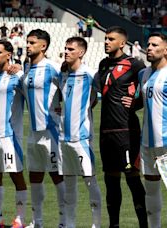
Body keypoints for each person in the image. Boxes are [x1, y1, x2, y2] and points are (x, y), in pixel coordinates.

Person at [95, 26, 147, 228]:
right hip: (105, 131)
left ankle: (144, 224)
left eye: (110, 39)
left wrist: (137, 102)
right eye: (105, 38)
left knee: (132, 178)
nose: (106, 42)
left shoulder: (134, 64)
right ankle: (113, 225)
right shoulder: (102, 65)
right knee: (110, 180)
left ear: (122, 43)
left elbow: (150, 86)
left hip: (126, 130)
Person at [22, 29, 66, 228]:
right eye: (27, 42)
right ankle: (36, 221)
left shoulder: (53, 68)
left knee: (57, 176)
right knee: (35, 177)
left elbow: (71, 91)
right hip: (33, 132)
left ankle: (65, 221)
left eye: (32, 42)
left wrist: (60, 109)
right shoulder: (26, 68)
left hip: (51, 132)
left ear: (43, 46)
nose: (28, 46)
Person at [58, 37, 102, 228]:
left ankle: (96, 224)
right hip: (63, 138)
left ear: (81, 52)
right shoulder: (63, 75)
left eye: (70, 49)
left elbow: (101, 97)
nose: (66, 52)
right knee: (68, 183)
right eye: (65, 48)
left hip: (81, 138)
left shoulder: (91, 74)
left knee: (90, 181)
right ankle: (69, 224)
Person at [0, 39, 26, 228]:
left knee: (16, 175)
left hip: (10, 136)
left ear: (8, 55)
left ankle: (20, 218)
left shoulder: (18, 76)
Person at [137, 32, 167, 228]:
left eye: (155, 45)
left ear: (165, 50)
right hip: (147, 144)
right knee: (151, 190)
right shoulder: (143, 74)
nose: (149, 48)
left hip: (166, 144)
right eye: (148, 44)